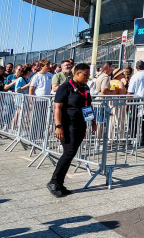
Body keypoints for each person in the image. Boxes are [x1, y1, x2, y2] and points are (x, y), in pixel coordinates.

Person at [47, 63, 96, 197]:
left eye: (88, 75)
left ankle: (59, 184)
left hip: (80, 124)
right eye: (85, 75)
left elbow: (88, 105)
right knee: (69, 152)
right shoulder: (65, 87)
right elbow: (57, 108)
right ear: (77, 73)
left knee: (71, 153)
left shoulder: (85, 88)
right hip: (67, 125)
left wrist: (92, 122)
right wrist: (58, 126)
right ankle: (54, 181)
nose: (87, 78)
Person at [127, 60, 144, 145]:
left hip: (136, 100)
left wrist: (127, 103)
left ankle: (133, 138)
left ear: (136, 67)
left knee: (133, 119)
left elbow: (130, 91)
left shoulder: (135, 76)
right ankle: (143, 139)